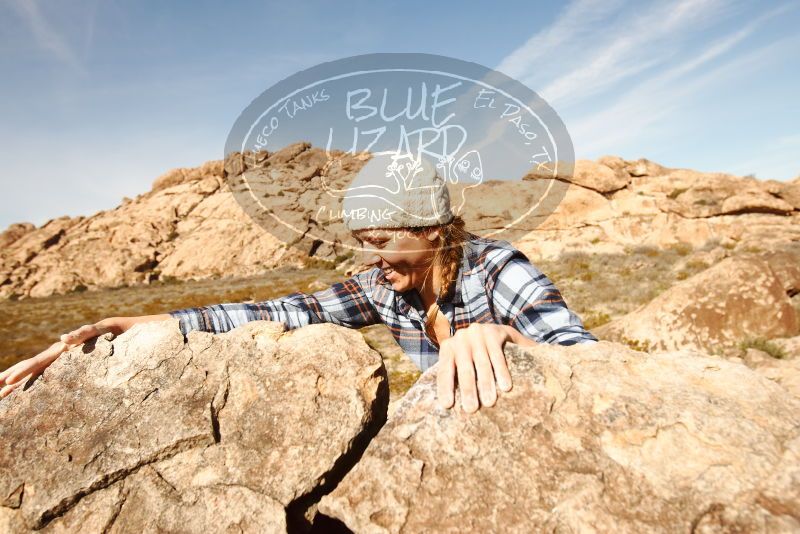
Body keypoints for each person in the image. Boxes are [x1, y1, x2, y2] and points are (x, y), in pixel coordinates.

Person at [0, 152, 598, 412]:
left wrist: (509, 339)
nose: (372, 260)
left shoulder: (498, 268)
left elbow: (589, 359)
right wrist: (143, 323)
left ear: (434, 229)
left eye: (384, 242)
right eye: (363, 244)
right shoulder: (383, 287)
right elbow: (284, 312)